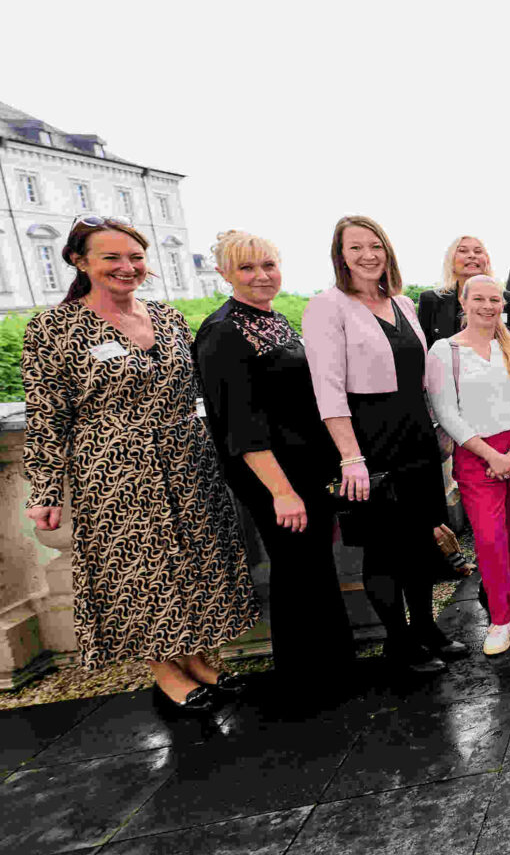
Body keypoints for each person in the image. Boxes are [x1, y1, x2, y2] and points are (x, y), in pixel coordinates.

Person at [23, 215, 260, 717]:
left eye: (135, 257)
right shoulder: (53, 328)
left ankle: (197, 659)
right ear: (79, 261)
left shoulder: (170, 317)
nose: (127, 267)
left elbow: (200, 392)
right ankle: (165, 669)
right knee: (143, 571)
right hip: (115, 469)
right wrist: (44, 492)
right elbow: (47, 416)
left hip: (187, 456)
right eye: (111, 257)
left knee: (195, 565)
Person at [193, 231, 353, 709]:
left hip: (305, 468)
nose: (261, 276)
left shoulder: (274, 319)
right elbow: (239, 424)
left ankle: (332, 668)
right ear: (224, 273)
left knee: (313, 567)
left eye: (268, 265)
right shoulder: (222, 331)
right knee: (296, 570)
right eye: (246, 268)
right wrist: (282, 492)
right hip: (274, 476)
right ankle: (305, 682)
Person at [304, 214, 460, 675]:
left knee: (419, 542)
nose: (368, 255)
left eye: (375, 245)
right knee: (385, 549)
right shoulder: (326, 306)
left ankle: (427, 628)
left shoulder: (403, 303)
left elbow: (424, 376)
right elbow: (327, 389)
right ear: (341, 256)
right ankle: (399, 643)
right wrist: (351, 457)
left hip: (414, 430)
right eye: (356, 248)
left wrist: (439, 427)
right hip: (369, 437)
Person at [426, 275, 510, 654]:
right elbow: (446, 412)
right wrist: (492, 456)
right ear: (464, 302)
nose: (487, 306)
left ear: (503, 305)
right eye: (478, 298)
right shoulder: (445, 351)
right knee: (490, 538)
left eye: (494, 299)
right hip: (478, 454)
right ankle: (498, 618)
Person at [419, 236, 510, 347]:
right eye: (463, 251)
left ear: (487, 260)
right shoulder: (431, 300)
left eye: (478, 252)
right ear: (451, 260)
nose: (472, 256)